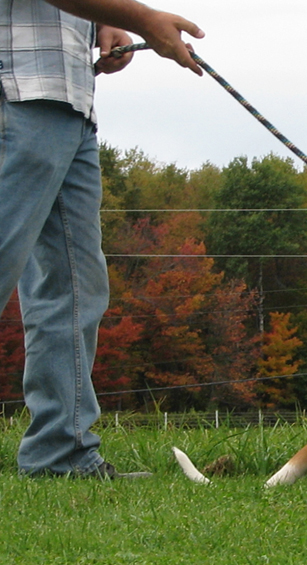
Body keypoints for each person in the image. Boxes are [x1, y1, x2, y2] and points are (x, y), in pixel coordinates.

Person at [0, 0, 203, 477]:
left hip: (69, 100)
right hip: (16, 92)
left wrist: (101, 24)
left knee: (75, 288)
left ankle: (60, 456)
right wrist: (142, 19)